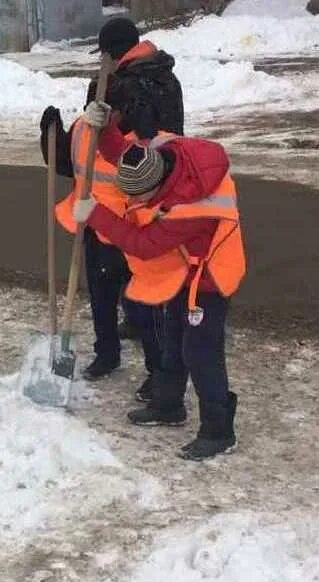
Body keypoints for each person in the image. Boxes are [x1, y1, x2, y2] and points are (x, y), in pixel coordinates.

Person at [73, 100, 246, 461]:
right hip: (183, 269)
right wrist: (104, 127)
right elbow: (123, 153)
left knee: (200, 352)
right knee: (173, 336)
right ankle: (168, 406)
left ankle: (219, 430)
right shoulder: (159, 156)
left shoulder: (190, 209)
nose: (132, 203)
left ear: (156, 189)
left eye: (137, 197)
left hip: (210, 279)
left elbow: (145, 244)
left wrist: (97, 215)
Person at [39, 16, 183, 383]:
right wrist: (52, 135)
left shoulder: (138, 87)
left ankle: (159, 375)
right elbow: (71, 160)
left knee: (141, 300)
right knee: (106, 294)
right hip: (99, 215)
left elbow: (155, 153)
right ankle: (110, 354)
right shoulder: (158, 76)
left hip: (132, 215)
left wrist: (123, 127)